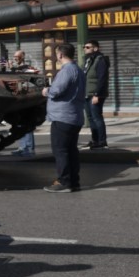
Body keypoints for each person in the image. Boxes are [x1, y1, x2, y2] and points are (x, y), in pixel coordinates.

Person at [41, 44, 86, 193]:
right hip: (74, 116)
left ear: (60, 55)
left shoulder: (66, 71)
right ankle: (74, 182)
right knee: (71, 150)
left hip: (63, 117)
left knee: (60, 151)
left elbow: (57, 91)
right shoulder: (78, 70)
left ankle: (64, 182)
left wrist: (46, 90)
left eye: (56, 54)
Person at [9, 50, 40, 157]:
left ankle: (29, 148)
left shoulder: (27, 68)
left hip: (26, 100)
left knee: (25, 123)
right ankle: (23, 147)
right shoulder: (14, 69)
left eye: (17, 56)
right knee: (20, 124)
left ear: (22, 56)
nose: (15, 58)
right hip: (18, 99)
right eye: (14, 56)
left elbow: (35, 74)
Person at [82, 39, 110, 149]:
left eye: (88, 47)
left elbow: (102, 78)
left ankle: (102, 141)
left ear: (95, 48)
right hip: (87, 93)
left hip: (95, 94)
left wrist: (97, 94)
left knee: (97, 117)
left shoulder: (100, 60)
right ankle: (95, 140)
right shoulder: (88, 60)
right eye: (84, 47)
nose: (85, 49)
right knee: (90, 118)